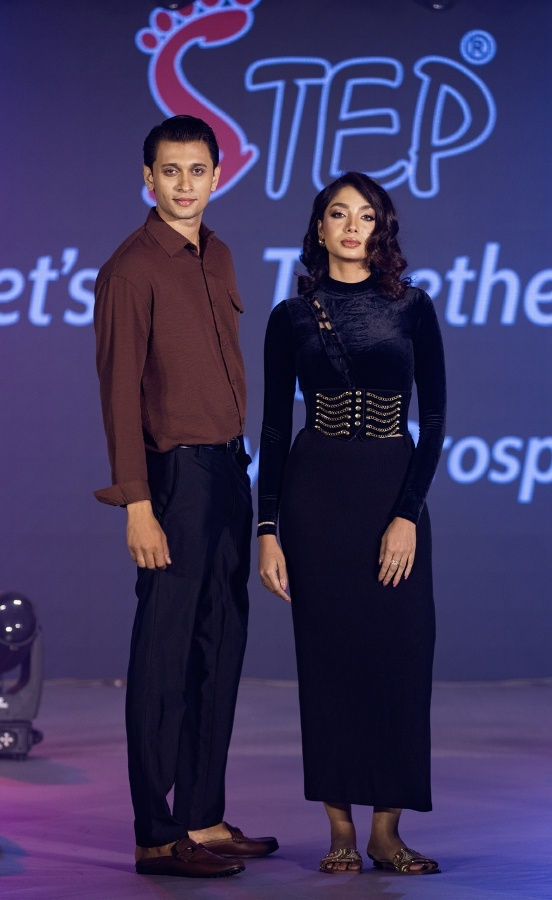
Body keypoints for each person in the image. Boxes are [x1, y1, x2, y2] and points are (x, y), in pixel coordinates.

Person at [94, 115, 278, 879]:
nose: (184, 184)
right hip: (172, 480)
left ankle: (202, 815)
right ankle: (156, 831)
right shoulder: (130, 269)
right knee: (164, 655)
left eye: (197, 170)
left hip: (229, 472)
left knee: (219, 646)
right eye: (169, 171)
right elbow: (118, 395)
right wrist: (137, 503)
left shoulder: (220, 254)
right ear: (148, 178)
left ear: (216, 176)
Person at [258, 172, 446, 875]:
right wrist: (267, 529)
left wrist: (407, 514)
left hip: (391, 491)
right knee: (328, 662)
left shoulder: (413, 307)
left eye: (365, 216)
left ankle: (386, 832)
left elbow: (437, 421)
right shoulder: (290, 316)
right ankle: (339, 829)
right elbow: (274, 430)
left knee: (401, 658)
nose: (351, 226)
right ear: (319, 227)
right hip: (317, 500)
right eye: (338, 214)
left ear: (381, 228)